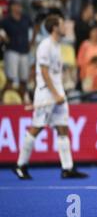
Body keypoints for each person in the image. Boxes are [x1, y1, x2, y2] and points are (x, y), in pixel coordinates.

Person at [13, 14, 88, 180]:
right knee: (37, 126)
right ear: (54, 27)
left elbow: (54, 73)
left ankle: (67, 168)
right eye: (62, 24)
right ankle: (20, 164)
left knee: (63, 127)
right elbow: (44, 72)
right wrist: (55, 94)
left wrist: (61, 92)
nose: (64, 27)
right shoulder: (45, 46)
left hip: (57, 92)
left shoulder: (57, 45)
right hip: (46, 92)